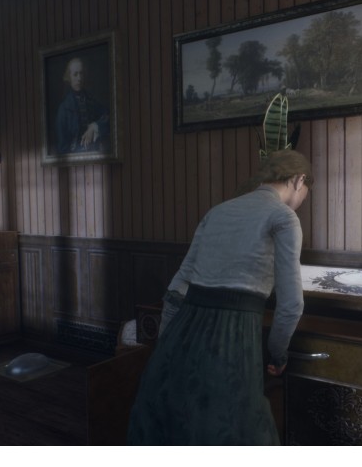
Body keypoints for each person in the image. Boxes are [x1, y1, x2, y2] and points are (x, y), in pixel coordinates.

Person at [127, 149, 314, 445]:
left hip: (183, 332)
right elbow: (291, 305)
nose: (302, 200)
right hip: (233, 339)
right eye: (305, 192)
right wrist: (278, 355)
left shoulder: (217, 211)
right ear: (298, 180)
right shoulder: (283, 217)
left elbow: (178, 286)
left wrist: (166, 345)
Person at [55, 56, 110, 154]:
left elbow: (109, 117)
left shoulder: (91, 101)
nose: (79, 78)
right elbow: (62, 147)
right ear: (69, 77)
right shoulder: (63, 108)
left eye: (81, 73)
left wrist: (94, 126)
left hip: (95, 152)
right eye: (75, 74)